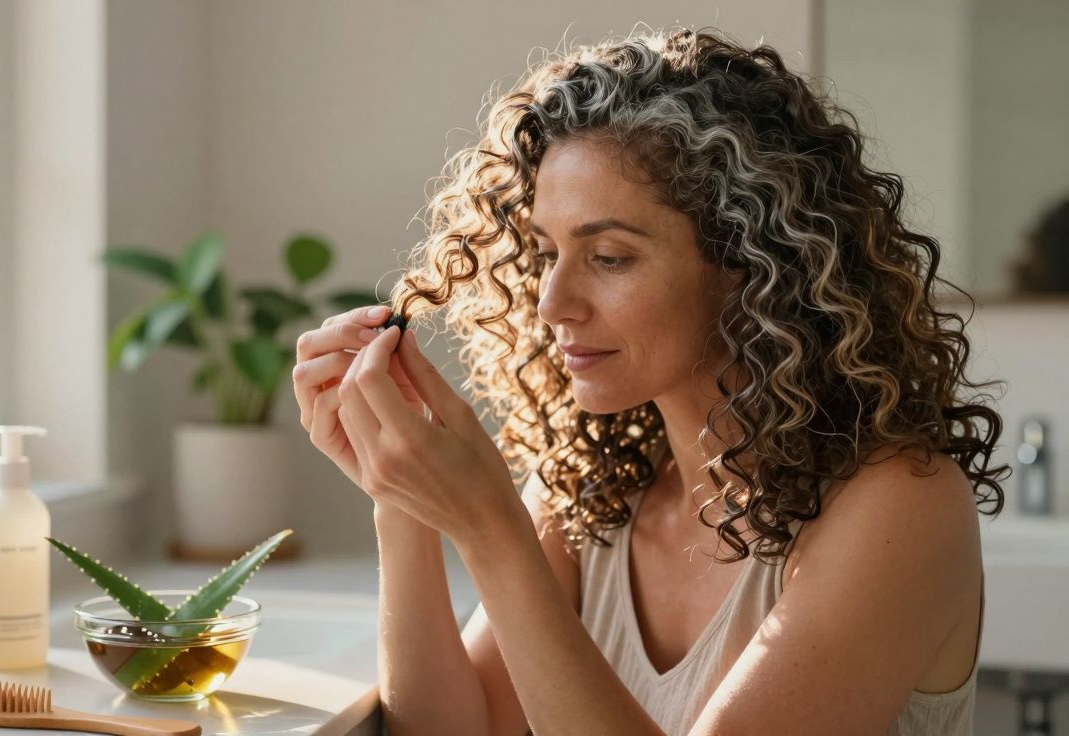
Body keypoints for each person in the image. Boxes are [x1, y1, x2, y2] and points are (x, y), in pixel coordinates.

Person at [292, 28, 1005, 735]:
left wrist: (491, 531)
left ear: (750, 264)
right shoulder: (594, 493)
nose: (550, 303)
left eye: (608, 257)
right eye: (546, 253)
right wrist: (403, 501)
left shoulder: (900, 508)